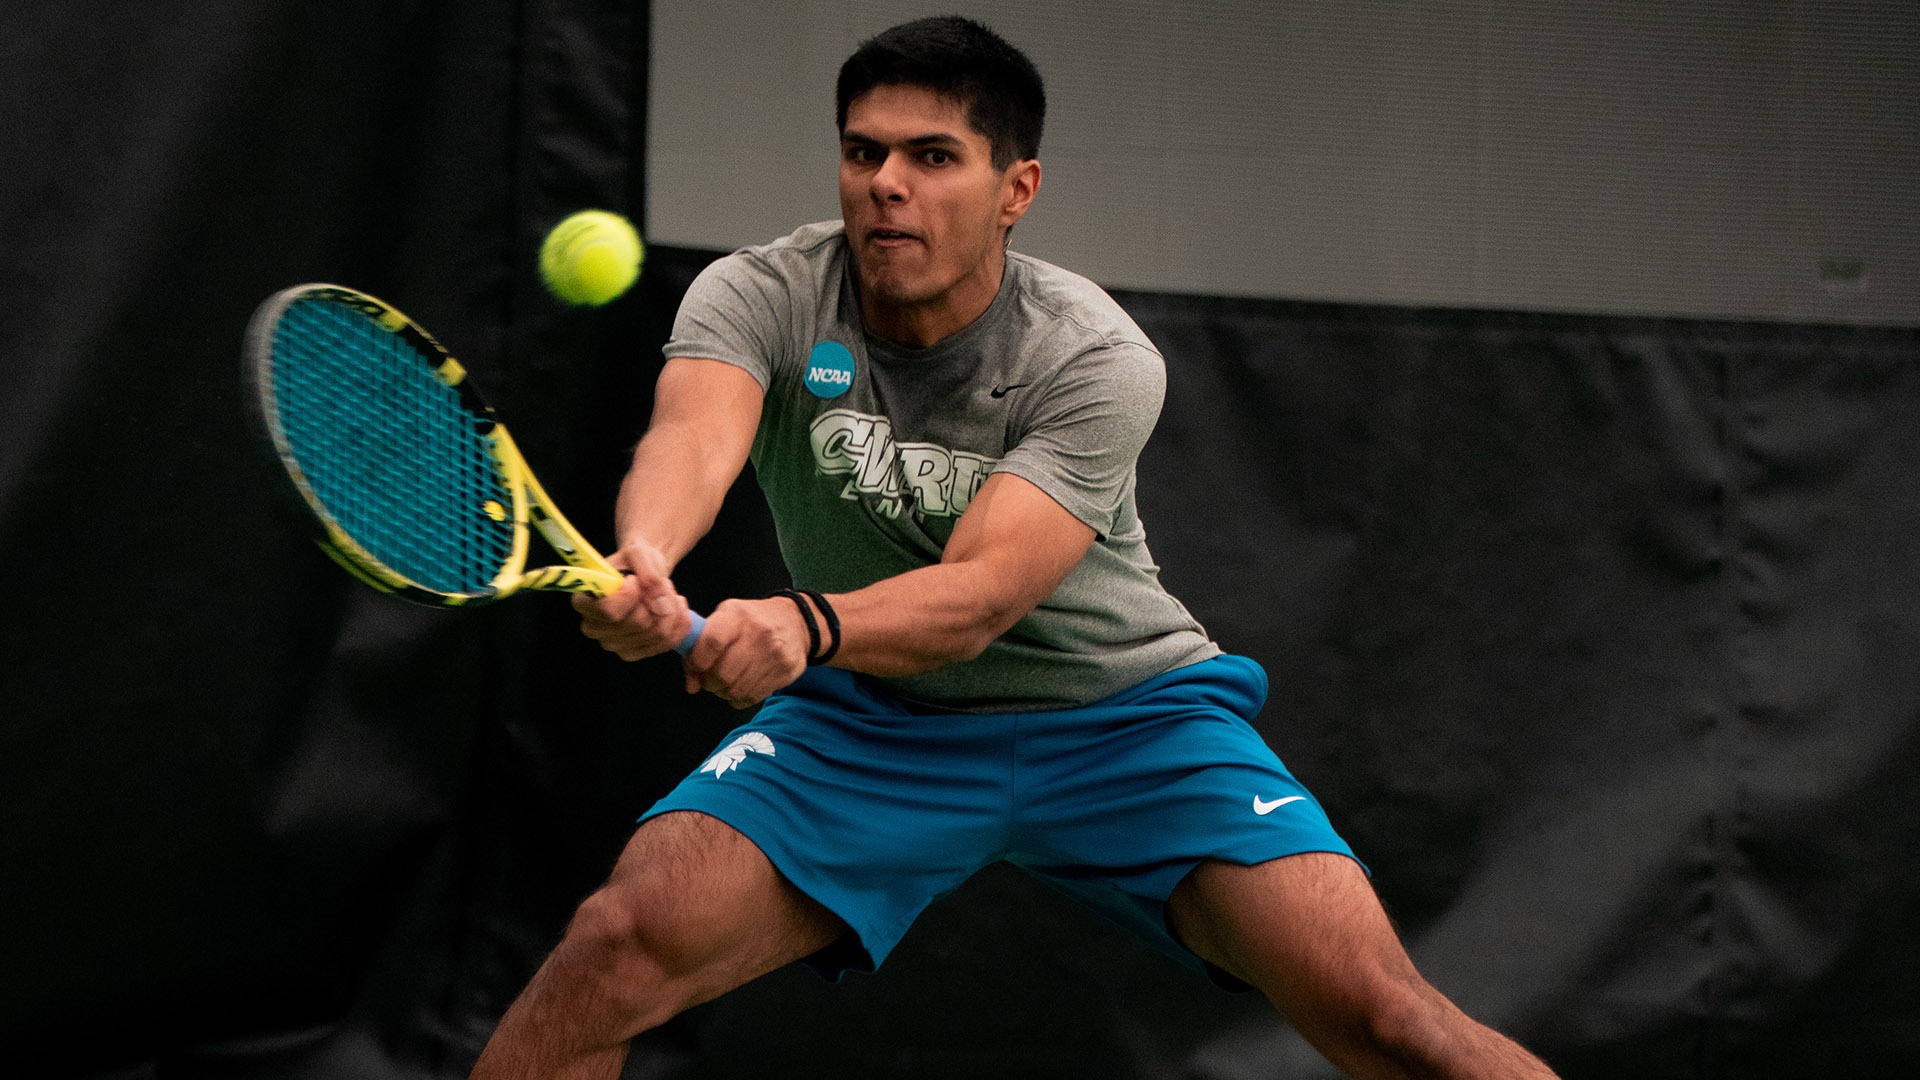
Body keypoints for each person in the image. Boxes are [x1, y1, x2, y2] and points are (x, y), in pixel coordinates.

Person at [472, 15, 1557, 1080]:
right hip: (874, 719)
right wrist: (647, 556)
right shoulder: (764, 290)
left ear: (1015, 189)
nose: (886, 182)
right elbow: (693, 435)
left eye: (932, 156)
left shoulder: (1092, 354)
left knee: (1388, 1020)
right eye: (864, 152)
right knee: (614, 949)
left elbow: (981, 597)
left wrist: (803, 624)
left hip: (1122, 719)